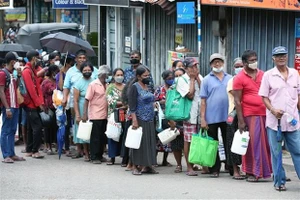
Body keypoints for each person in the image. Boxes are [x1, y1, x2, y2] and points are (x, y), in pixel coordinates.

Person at [259, 46, 300, 191]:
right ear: (273, 59)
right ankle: (279, 181)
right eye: (278, 56)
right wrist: (272, 109)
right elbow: (264, 97)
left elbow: (298, 95)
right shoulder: (268, 75)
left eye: (283, 55)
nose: (281, 58)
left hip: (293, 121)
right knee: (276, 153)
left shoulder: (295, 73)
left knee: (298, 151)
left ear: (287, 57)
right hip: (275, 122)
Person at [233, 50, 272, 182]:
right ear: (244, 63)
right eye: (251, 60)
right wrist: (241, 121)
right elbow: (237, 101)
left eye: (255, 59)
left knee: (266, 145)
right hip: (250, 114)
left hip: (266, 113)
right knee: (253, 144)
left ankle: (266, 171)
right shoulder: (239, 78)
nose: (254, 62)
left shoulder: (264, 75)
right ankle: (252, 172)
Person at [200, 53, 232, 178]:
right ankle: (215, 168)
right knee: (213, 144)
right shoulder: (206, 80)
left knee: (228, 142)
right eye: (214, 62)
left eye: (219, 61)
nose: (217, 64)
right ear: (210, 64)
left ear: (223, 63)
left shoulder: (230, 78)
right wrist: (203, 118)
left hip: (227, 116)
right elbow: (203, 101)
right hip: (211, 117)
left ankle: (230, 166)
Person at [175, 57, 203, 176]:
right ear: (186, 69)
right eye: (192, 67)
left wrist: (196, 77)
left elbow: (205, 91)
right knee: (189, 141)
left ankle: (201, 164)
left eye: (196, 66)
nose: (195, 69)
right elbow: (190, 95)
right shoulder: (182, 80)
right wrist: (192, 79)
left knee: (200, 139)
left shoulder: (200, 77)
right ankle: (189, 167)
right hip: (189, 114)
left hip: (200, 113)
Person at [128, 66, 157, 175]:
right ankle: (135, 166)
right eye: (145, 75)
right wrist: (134, 120)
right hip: (140, 118)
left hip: (149, 118)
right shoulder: (135, 87)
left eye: (148, 75)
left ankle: (147, 165)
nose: (147, 77)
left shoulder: (148, 86)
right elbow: (132, 105)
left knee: (148, 142)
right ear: (139, 76)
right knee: (138, 142)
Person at [0, 51, 25, 163]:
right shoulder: (2, 73)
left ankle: (12, 153)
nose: (18, 63)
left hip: (15, 105)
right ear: (12, 61)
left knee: (13, 130)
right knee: (6, 130)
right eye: (17, 61)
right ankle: (6, 155)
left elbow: (17, 86)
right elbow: (1, 92)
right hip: (8, 106)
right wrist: (7, 108)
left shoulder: (13, 73)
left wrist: (19, 74)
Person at [82, 65, 110, 164]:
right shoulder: (93, 84)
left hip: (105, 114)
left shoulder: (107, 85)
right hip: (95, 114)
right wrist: (84, 114)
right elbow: (86, 100)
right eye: (105, 74)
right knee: (95, 137)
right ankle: (94, 156)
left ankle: (100, 155)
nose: (106, 76)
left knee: (103, 136)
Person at [22, 50, 45, 159]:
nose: (39, 60)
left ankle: (30, 150)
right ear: (33, 58)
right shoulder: (27, 71)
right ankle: (35, 150)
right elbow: (31, 89)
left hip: (33, 104)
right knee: (37, 127)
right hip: (31, 104)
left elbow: (37, 84)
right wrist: (39, 103)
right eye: (38, 58)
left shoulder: (31, 70)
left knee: (31, 128)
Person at [226, 57, 245, 180]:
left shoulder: (249, 78)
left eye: (241, 66)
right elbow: (239, 96)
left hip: (247, 112)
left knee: (245, 142)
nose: (239, 68)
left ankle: (247, 169)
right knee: (233, 141)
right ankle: (235, 170)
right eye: (237, 66)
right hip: (234, 113)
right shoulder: (232, 80)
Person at [73, 62, 95, 161]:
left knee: (93, 131)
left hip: (94, 108)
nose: (87, 72)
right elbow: (75, 100)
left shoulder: (94, 81)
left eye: (89, 70)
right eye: (85, 70)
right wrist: (78, 114)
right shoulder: (78, 83)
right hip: (82, 109)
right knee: (84, 132)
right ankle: (86, 153)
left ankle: (93, 152)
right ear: (81, 71)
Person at [56, 54, 75, 156]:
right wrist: (61, 73)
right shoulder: (61, 74)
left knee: (69, 125)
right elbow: (60, 87)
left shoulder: (73, 73)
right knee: (62, 124)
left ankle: (68, 146)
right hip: (63, 103)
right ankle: (62, 146)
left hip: (72, 101)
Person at [105, 68, 125, 165]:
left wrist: (125, 105)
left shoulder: (126, 87)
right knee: (113, 135)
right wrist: (123, 104)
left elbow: (129, 99)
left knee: (123, 135)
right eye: (117, 75)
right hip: (113, 114)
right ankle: (111, 157)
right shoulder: (110, 87)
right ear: (113, 76)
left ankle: (123, 157)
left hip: (125, 114)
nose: (120, 77)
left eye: (121, 75)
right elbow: (110, 101)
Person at [154, 70, 173, 166]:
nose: (171, 80)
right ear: (164, 79)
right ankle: (154, 160)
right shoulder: (159, 90)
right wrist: (162, 102)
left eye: (172, 78)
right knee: (158, 138)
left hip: (171, 116)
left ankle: (165, 160)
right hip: (161, 116)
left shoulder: (174, 89)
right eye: (169, 79)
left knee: (168, 138)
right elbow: (154, 101)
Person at [41, 65, 59, 155]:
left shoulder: (58, 81)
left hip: (57, 107)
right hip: (48, 107)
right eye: (54, 71)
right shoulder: (45, 82)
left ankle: (55, 144)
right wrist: (44, 107)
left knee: (55, 127)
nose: (55, 73)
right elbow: (42, 95)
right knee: (47, 127)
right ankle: (48, 146)